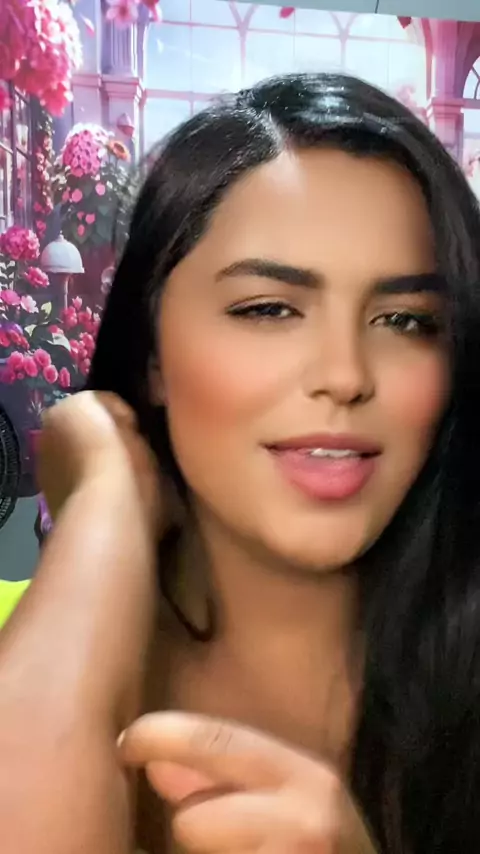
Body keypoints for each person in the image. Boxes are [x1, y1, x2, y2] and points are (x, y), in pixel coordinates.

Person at [2, 70, 480, 853]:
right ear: (154, 353)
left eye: (404, 320)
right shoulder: (25, 626)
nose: (346, 376)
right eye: (268, 309)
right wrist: (105, 509)